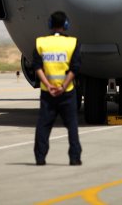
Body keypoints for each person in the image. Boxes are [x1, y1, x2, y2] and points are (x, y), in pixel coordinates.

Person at [32, 11, 82, 166]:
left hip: (48, 93)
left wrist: (48, 85)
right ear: (65, 25)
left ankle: (40, 158)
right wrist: (63, 86)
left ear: (49, 24)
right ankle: (74, 158)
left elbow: (37, 67)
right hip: (66, 93)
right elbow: (74, 68)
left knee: (43, 126)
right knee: (72, 126)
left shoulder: (41, 43)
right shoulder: (72, 43)